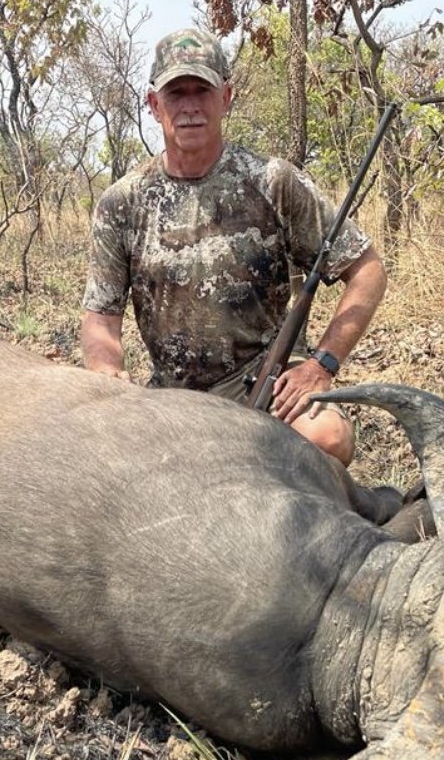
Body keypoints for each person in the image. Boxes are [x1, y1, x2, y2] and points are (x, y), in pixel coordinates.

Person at [81, 27, 388, 467]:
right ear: (154, 104)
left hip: (265, 384)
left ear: (225, 97)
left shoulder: (274, 182)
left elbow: (368, 270)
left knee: (328, 437)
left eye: (201, 91)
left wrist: (321, 364)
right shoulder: (122, 202)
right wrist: (106, 373)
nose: (189, 107)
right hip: (170, 395)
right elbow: (101, 319)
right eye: (176, 93)